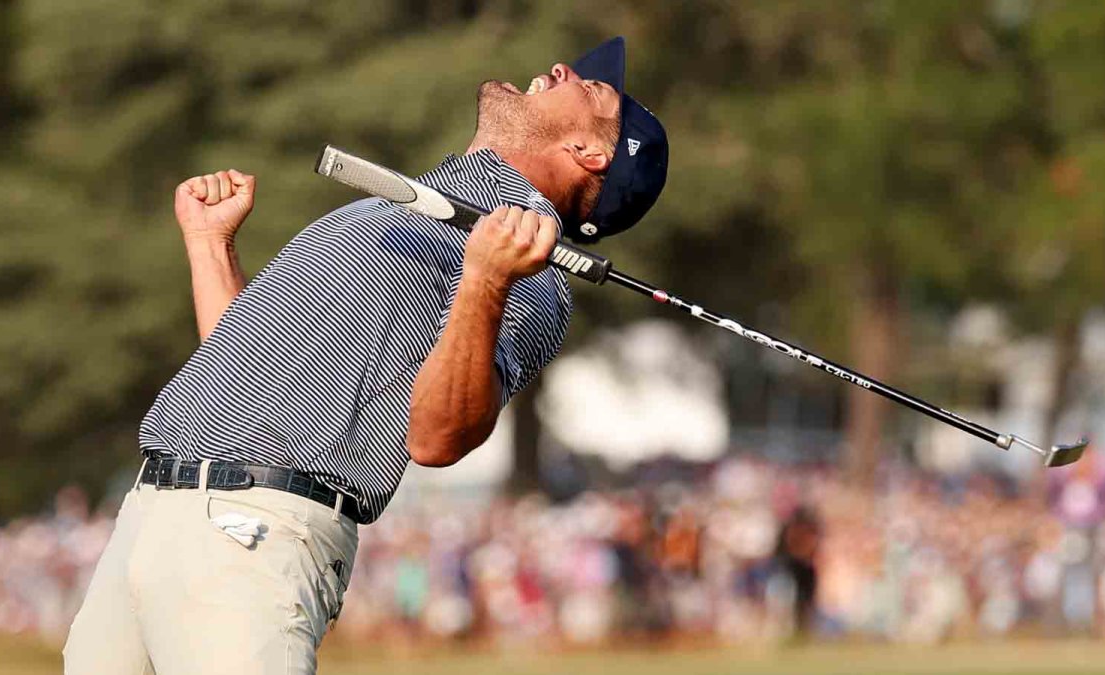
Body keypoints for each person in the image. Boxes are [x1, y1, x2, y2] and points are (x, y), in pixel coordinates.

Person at [63, 36, 667, 674]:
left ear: (589, 153)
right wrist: (211, 248)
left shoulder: (532, 275)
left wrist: (487, 281)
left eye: (592, 89)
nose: (561, 69)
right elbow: (245, 370)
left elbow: (438, 440)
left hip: (255, 532)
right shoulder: (396, 205)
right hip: (153, 512)